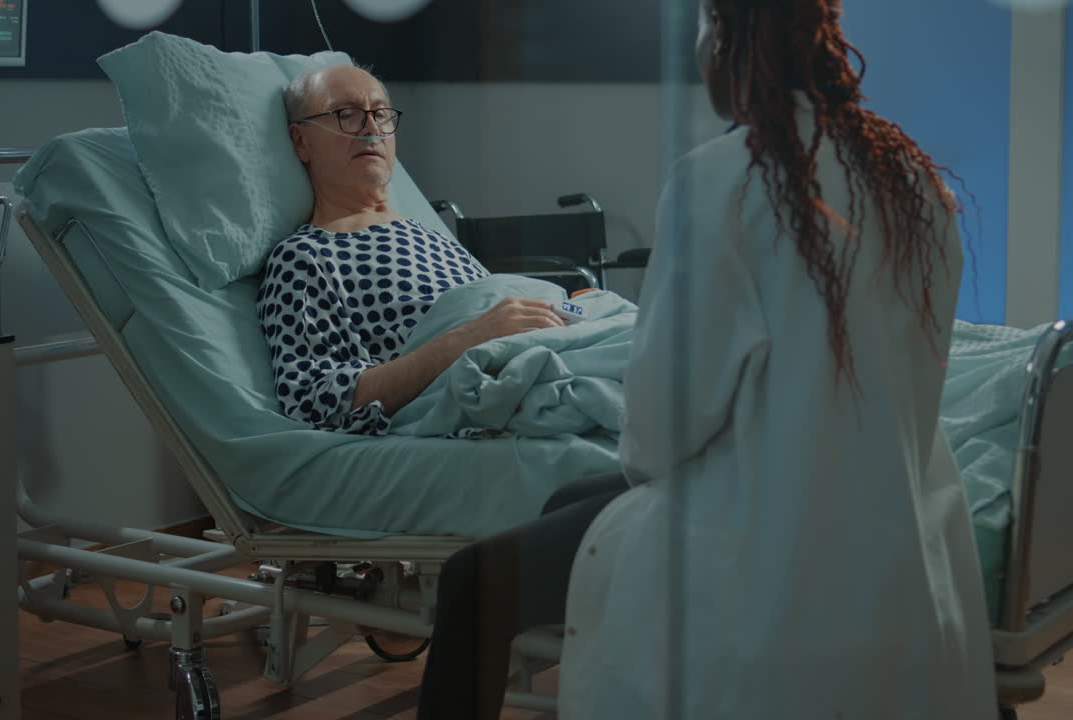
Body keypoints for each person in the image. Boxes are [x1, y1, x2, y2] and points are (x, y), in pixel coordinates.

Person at [419, 0, 997, 718]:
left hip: (767, 541)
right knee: (570, 503)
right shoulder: (910, 179)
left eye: (698, 27)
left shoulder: (721, 182)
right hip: (892, 527)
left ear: (725, 37)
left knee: (472, 581)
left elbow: (655, 442)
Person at [258, 65, 565, 434]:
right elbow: (315, 403)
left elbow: (496, 309)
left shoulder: (434, 238)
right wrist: (468, 338)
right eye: (347, 114)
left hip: (555, 345)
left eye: (381, 114)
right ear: (301, 142)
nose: (372, 128)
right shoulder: (304, 258)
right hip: (502, 380)